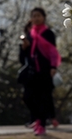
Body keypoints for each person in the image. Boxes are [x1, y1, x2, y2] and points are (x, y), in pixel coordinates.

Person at [19, 7, 61, 136]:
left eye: (38, 15)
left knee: (43, 98)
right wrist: (24, 48)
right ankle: (37, 119)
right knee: (28, 97)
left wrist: (53, 67)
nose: (36, 18)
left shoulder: (48, 33)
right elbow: (22, 58)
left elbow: (53, 52)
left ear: (43, 17)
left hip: (45, 71)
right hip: (31, 71)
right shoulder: (29, 35)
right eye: (34, 16)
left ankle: (41, 125)